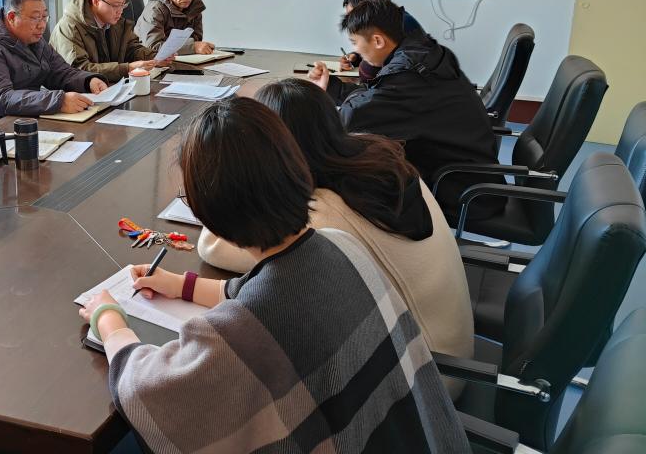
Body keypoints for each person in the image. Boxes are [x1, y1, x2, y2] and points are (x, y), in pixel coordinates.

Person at [78, 97, 466, 453]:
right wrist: (182, 285)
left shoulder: (241, 333)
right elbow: (259, 290)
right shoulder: (339, 243)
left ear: (210, 215)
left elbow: (148, 392)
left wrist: (109, 320)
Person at [198, 78, 473, 397]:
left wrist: (231, 179)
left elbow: (215, 247)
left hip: (425, 380)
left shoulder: (325, 212)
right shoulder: (379, 155)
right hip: (451, 347)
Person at [308, 0, 501, 222]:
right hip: (466, 175)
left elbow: (351, 118)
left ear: (378, 40)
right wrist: (332, 87)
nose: (355, 51)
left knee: (340, 172)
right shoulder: (422, 52)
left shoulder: (410, 73)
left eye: (354, 42)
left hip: (459, 191)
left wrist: (317, 99)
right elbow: (376, 97)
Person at [0, 0, 108, 121]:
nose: (42, 25)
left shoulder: (32, 38)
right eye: (35, 18)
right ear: (11, 17)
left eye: (44, 17)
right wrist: (59, 101)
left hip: (22, 115)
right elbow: (1, 99)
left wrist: (88, 81)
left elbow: (59, 71)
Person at [49, 0, 170, 83]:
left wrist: (156, 57)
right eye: (116, 5)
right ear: (96, 1)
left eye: (123, 4)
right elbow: (79, 69)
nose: (120, 11)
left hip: (111, 87)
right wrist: (127, 68)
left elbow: (132, 49)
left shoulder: (115, 21)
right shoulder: (69, 28)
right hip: (78, 92)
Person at [339, 0, 425, 80]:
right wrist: (357, 57)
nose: (350, 23)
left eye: (353, 17)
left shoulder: (403, 26)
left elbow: (371, 73)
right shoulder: (395, 18)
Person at [135, 0, 213, 56]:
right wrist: (192, 47)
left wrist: (196, 46)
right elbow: (152, 46)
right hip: (146, 60)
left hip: (181, 58)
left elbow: (196, 39)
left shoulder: (195, 6)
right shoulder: (154, 10)